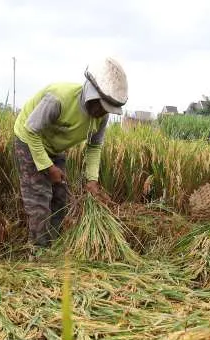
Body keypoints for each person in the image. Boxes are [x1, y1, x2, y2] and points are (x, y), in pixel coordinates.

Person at [11, 57, 128, 247]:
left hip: (55, 148)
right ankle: (38, 252)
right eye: (100, 107)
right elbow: (31, 130)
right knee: (40, 203)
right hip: (29, 140)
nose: (101, 113)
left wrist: (92, 180)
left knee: (60, 199)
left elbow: (94, 146)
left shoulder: (101, 117)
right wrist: (48, 167)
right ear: (91, 96)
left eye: (106, 110)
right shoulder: (58, 99)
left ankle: (53, 245)